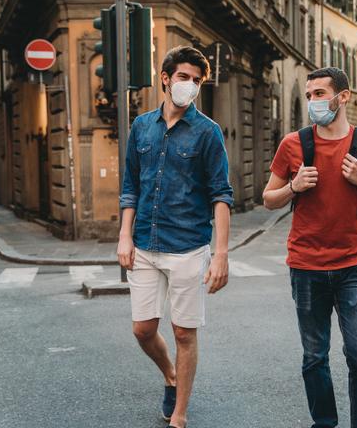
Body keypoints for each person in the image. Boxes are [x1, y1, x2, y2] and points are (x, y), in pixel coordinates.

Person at [263, 67, 357, 428]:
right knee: (314, 357)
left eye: (320, 94)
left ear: (343, 96)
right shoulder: (293, 144)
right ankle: (324, 422)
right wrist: (293, 187)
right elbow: (268, 199)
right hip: (306, 266)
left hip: (355, 267)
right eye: (309, 95)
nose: (313, 102)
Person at [117, 45, 233, 428]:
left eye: (197, 81)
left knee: (184, 332)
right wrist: (124, 236)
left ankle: (179, 414)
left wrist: (220, 256)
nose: (190, 86)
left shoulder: (208, 132)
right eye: (184, 77)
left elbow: (221, 195)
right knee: (143, 329)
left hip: (188, 245)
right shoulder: (141, 127)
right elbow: (131, 185)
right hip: (146, 244)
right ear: (165, 78)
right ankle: (169, 374)